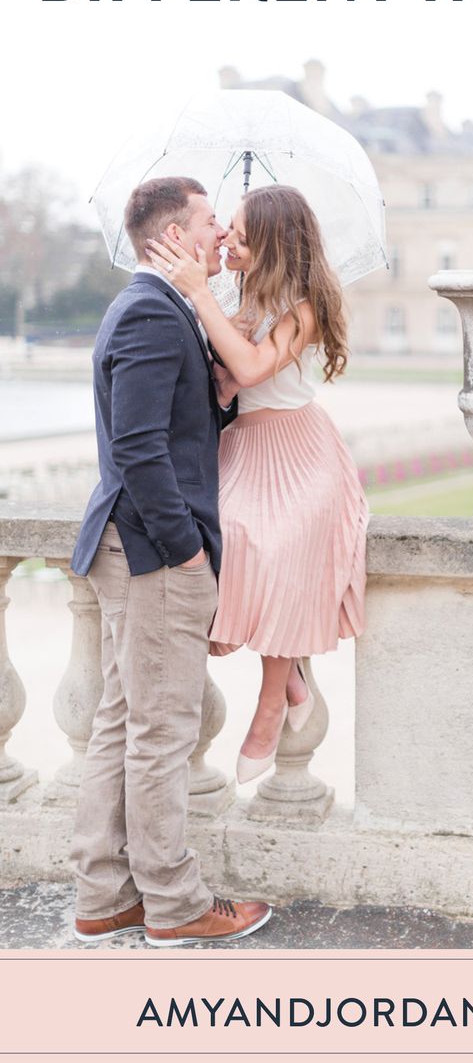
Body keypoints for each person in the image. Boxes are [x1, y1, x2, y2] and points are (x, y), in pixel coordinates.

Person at [69, 176, 272, 947]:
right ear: (173, 236)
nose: (221, 233)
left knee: (123, 722)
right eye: (211, 221)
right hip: (154, 553)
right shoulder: (153, 311)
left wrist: (217, 395)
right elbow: (139, 448)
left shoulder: (157, 307)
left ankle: (105, 893)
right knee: (162, 732)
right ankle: (175, 902)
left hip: (132, 545)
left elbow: (163, 426)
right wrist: (186, 551)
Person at [146, 184, 367, 785]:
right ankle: (292, 677)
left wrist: (200, 299)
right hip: (241, 446)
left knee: (276, 547)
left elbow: (248, 368)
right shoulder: (237, 292)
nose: (228, 239)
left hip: (296, 451)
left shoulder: (304, 307)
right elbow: (228, 382)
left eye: (242, 233)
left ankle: (270, 707)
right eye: (229, 228)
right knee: (226, 544)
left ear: (274, 241)